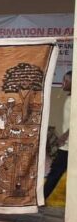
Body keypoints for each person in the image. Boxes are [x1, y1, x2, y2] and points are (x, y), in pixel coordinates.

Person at [44, 71, 71, 199]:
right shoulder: (70, 98)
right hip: (67, 145)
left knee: (55, 172)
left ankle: (42, 198)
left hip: (69, 145)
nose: (62, 84)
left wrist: (64, 136)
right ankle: (42, 198)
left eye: (65, 81)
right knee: (55, 172)